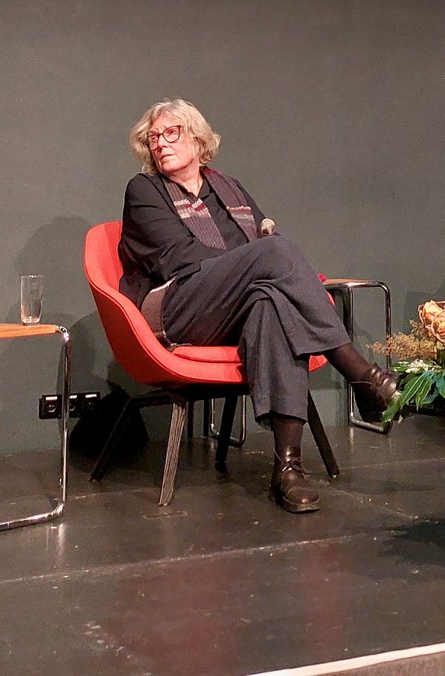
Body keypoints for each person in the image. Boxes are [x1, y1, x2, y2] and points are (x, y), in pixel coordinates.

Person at [118, 98, 397, 514]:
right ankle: (363, 376)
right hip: (179, 306)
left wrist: (251, 265)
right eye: (152, 137)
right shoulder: (144, 190)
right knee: (273, 256)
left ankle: (287, 468)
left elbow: (263, 253)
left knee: (269, 303)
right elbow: (177, 258)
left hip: (237, 304)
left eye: (170, 132)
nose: (160, 143)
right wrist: (247, 261)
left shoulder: (229, 188)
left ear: (196, 137)